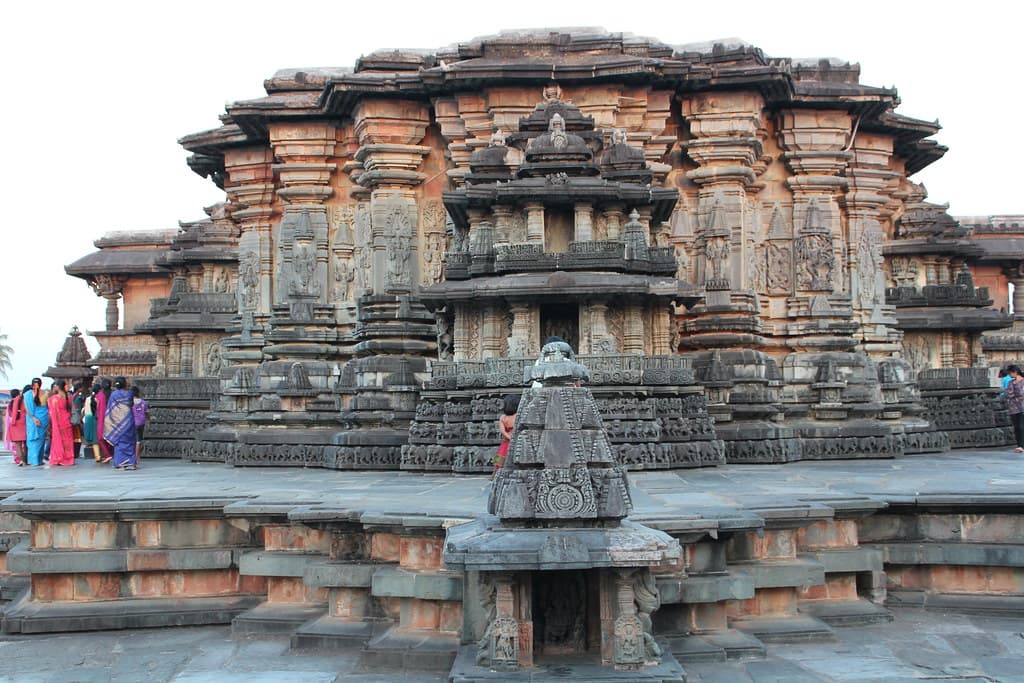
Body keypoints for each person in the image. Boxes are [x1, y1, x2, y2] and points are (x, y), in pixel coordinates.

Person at [104, 377, 137, 470]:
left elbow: (110, 408)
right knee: (130, 441)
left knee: (119, 441)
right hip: (128, 419)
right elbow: (132, 404)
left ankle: (121, 462)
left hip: (117, 421)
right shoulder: (130, 394)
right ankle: (131, 463)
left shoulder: (114, 395)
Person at [46, 380, 75, 466]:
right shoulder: (68, 397)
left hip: (58, 422)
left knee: (58, 440)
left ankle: (59, 457)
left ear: (58, 387)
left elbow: (52, 412)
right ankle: (69, 458)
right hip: (66, 420)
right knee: (67, 440)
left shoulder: (54, 399)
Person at [23, 378, 50, 466]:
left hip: (37, 420)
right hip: (39, 419)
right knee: (39, 439)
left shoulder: (27, 395)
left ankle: (36, 460)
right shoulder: (29, 395)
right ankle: (37, 460)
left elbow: (26, 409)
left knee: (37, 440)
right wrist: (34, 418)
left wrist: (33, 418)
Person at [494, 394, 520, 473]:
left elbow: (502, 431)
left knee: (499, 460)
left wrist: (509, 437)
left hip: (506, 442)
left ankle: (496, 473)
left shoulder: (503, 418)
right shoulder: (519, 416)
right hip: (518, 440)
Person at [1006, 365, 1024, 454]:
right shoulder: (1011, 382)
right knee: (1016, 427)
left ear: (1015, 372)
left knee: (1021, 426)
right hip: (1013, 407)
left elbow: (1021, 393)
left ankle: (1021, 445)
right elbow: (1009, 393)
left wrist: (1016, 394)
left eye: (1010, 372)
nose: (1010, 375)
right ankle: (1019, 444)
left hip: (1022, 407)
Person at [6, 389, 26, 465]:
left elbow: (11, 415)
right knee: (25, 445)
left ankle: (21, 461)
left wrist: (13, 422)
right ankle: (25, 460)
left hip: (14, 425)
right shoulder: (23, 402)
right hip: (23, 424)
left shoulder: (11, 403)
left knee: (18, 445)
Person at [81, 384, 101, 462]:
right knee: (97, 438)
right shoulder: (98, 399)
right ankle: (99, 456)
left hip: (88, 419)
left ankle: (97, 456)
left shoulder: (88, 399)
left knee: (93, 439)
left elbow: (84, 410)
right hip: (95, 419)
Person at [95, 379, 112, 464]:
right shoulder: (112, 394)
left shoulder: (100, 396)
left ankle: (107, 454)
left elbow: (97, 408)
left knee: (100, 438)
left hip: (102, 418)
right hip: (113, 418)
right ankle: (109, 454)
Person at [131, 386, 148, 464]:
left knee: (132, 440)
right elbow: (146, 413)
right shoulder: (143, 402)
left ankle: (132, 455)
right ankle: (137, 457)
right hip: (141, 423)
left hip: (132, 422)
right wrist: (149, 419)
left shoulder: (130, 402)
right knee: (138, 441)